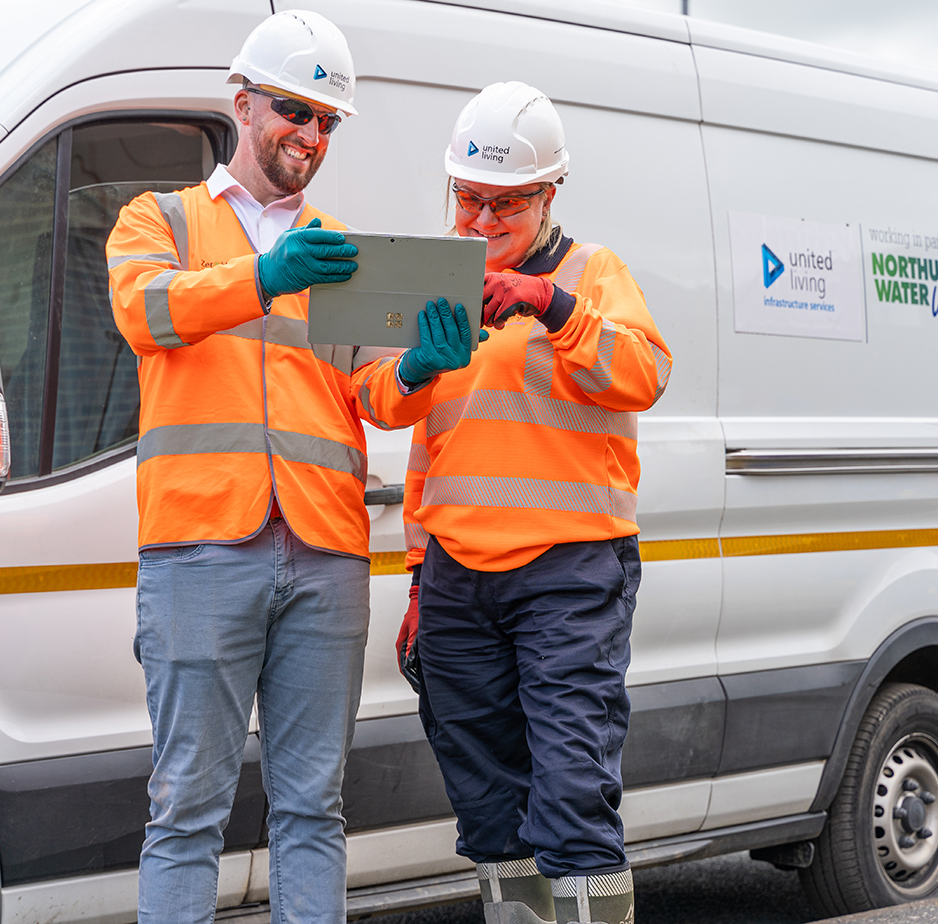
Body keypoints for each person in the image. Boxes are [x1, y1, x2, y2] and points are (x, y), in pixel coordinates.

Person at [106, 12, 476, 924]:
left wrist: (422, 369)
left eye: (325, 122)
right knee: (187, 811)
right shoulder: (161, 221)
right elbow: (145, 312)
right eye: (293, 111)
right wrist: (265, 275)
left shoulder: (338, 247)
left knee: (315, 809)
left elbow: (373, 393)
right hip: (200, 552)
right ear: (243, 103)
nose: (309, 136)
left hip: (323, 553)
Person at [395, 82, 673, 924]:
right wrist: (416, 576)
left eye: (504, 204)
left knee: (572, 797)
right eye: (468, 198)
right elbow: (427, 442)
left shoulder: (593, 276)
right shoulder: (437, 282)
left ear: (548, 194)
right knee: (487, 810)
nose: (480, 222)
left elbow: (646, 372)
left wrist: (549, 304)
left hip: (570, 573)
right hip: (456, 580)